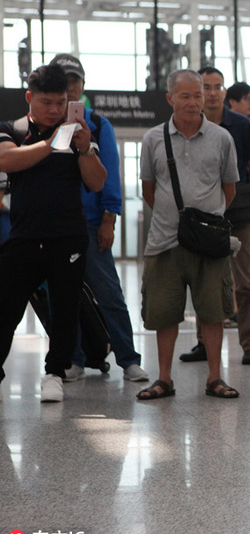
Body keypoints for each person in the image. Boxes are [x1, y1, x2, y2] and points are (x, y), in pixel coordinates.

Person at [0, 64, 106, 402]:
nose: (54, 110)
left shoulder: (78, 135)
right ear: (29, 98)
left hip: (68, 237)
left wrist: (85, 148)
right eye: (46, 102)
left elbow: (97, 182)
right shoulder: (12, 129)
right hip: (24, 238)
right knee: (6, 309)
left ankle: (55, 373)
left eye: (61, 102)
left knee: (65, 310)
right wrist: (52, 143)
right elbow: (7, 161)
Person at [138, 69, 240, 400]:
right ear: (170, 98)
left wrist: (204, 221)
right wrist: (175, 218)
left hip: (209, 243)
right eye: (185, 96)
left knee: (213, 312)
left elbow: (229, 189)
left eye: (198, 95)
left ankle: (215, 377)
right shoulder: (153, 139)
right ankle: (164, 379)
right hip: (164, 241)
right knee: (164, 313)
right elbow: (149, 189)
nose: (194, 101)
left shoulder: (222, 138)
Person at [47, 53, 149, 383]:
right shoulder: (45, 125)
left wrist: (109, 218)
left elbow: (111, 175)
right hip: (55, 227)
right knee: (63, 297)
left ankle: (128, 359)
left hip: (91, 225)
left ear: (83, 86)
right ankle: (73, 359)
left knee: (109, 295)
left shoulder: (99, 125)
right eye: (64, 81)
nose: (70, 88)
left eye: (75, 81)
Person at [179, 66, 250, 366]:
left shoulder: (242, 126)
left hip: (238, 212)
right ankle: (204, 342)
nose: (213, 93)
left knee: (244, 279)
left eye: (218, 87)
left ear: (224, 91)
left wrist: (240, 197)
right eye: (207, 87)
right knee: (205, 280)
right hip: (202, 214)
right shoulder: (189, 125)